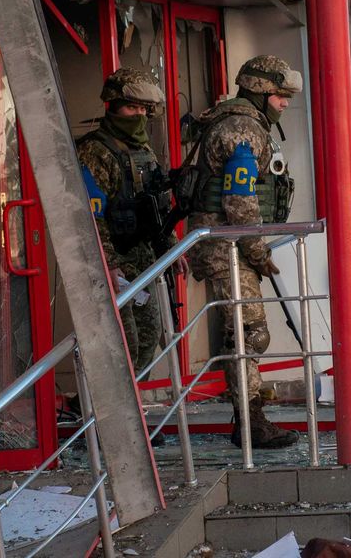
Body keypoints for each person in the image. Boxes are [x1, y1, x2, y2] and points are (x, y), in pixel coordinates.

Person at [187, 55, 302, 449]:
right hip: (229, 245)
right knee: (250, 332)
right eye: (279, 95)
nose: (284, 103)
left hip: (232, 243)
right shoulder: (241, 127)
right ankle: (250, 423)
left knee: (246, 332)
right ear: (259, 91)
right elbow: (240, 198)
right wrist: (255, 248)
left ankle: (249, 418)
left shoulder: (247, 124)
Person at [78, 67, 181, 374]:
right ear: (113, 106)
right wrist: (107, 263)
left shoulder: (143, 150)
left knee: (149, 338)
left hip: (144, 259)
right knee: (125, 346)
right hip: (116, 264)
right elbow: (91, 216)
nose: (138, 115)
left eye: (142, 109)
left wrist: (172, 246)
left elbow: (156, 204)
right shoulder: (96, 150)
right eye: (131, 108)